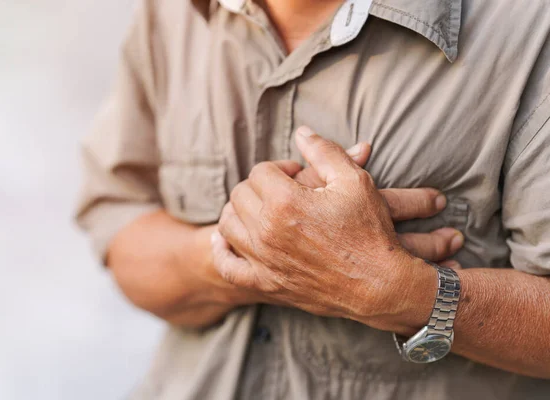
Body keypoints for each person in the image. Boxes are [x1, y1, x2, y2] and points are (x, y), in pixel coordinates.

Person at [75, 0, 550, 398]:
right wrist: (250, 254)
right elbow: (121, 228)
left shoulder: (527, 28)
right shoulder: (173, 13)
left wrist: (407, 294)